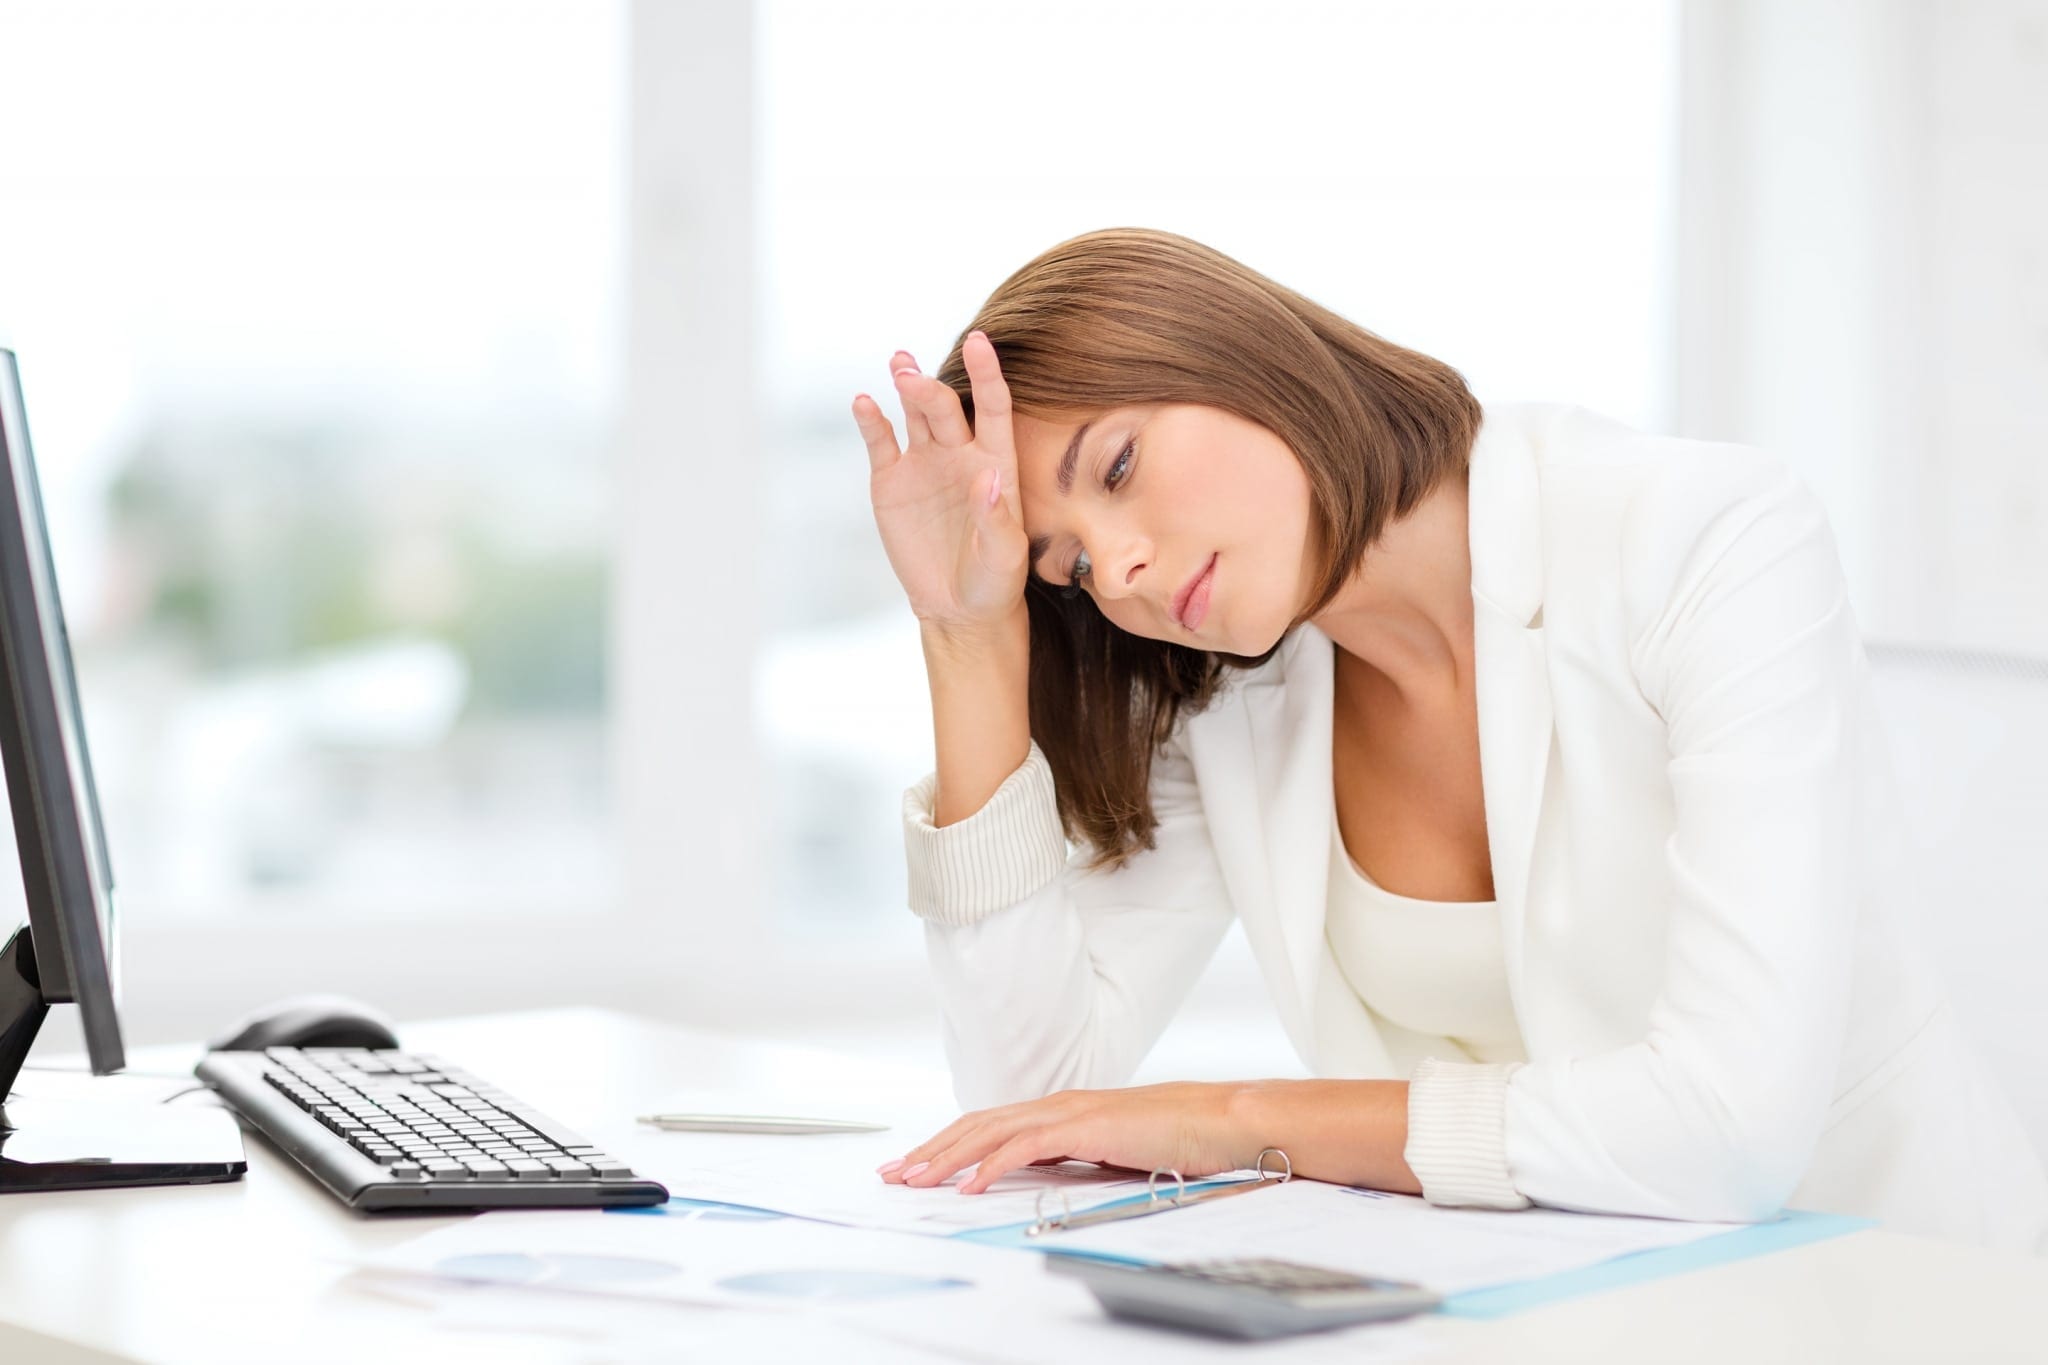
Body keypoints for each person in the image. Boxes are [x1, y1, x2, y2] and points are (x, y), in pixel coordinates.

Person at [848, 227, 2048, 1252]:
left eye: (1115, 466)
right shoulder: (1225, 698)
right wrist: (966, 635)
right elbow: (1027, 1112)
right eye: (1066, 570)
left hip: (1902, 1287)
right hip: (1551, 1313)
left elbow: (1726, 1135)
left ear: (1243, 358)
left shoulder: (1705, 541)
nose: (1117, 569)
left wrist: (1232, 1117)